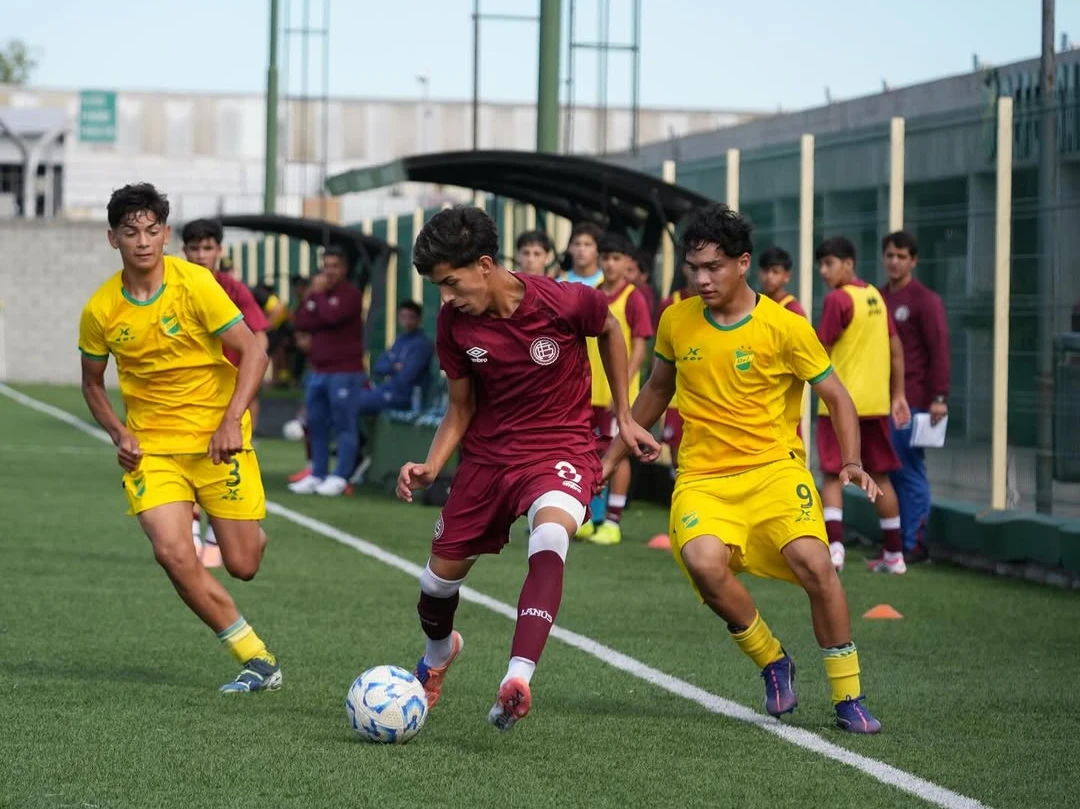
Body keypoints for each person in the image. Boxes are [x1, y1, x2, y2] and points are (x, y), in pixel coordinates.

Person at [602, 203, 883, 734]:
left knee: (817, 567)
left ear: (743, 264)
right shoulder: (676, 320)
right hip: (703, 480)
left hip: (775, 472)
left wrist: (851, 461)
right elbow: (657, 391)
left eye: (714, 267)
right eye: (694, 268)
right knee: (705, 565)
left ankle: (849, 697)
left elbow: (837, 397)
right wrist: (612, 456)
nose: (702, 279)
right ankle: (773, 661)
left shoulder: (786, 327)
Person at [396, 206, 659, 732]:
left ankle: (518, 677)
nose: (444, 297)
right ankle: (440, 652)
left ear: (486, 264)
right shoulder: (454, 322)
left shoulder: (564, 300)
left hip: (560, 448)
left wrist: (625, 416)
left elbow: (610, 328)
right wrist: (431, 464)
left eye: (450, 282)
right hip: (489, 458)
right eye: (437, 286)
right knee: (436, 585)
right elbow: (461, 407)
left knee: (551, 537)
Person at [78, 183, 280, 693]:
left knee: (243, 564)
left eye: (151, 231)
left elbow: (254, 353)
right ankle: (255, 658)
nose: (142, 241)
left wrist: (232, 419)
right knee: (172, 553)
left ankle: (248, 529)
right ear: (112, 239)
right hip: (152, 451)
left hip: (219, 442)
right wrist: (118, 432)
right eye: (130, 232)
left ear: (165, 235)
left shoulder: (196, 285)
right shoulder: (101, 309)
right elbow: (91, 384)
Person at [815, 237, 911, 574]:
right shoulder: (875, 296)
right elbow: (896, 348)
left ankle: (835, 551)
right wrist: (897, 394)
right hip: (875, 404)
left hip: (839, 405)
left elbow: (818, 351)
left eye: (829, 263)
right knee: (880, 476)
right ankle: (895, 555)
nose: (824, 271)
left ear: (848, 263)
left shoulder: (837, 300)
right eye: (821, 265)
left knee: (831, 473)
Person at [181, 219, 272, 568]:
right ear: (184, 250)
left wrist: (251, 380)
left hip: (228, 397)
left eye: (208, 248)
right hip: (189, 399)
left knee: (225, 468)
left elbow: (260, 336)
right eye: (195, 248)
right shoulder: (174, 287)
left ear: (219, 251)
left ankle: (222, 534)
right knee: (187, 460)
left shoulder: (233, 290)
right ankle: (189, 532)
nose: (201, 255)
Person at [575, 233, 654, 546]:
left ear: (627, 264)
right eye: (605, 258)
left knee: (617, 453)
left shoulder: (633, 297)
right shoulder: (592, 293)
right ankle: (588, 518)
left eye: (616, 258)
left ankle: (613, 521)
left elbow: (639, 345)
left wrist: (621, 386)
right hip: (587, 390)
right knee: (586, 451)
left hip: (616, 395)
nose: (609, 264)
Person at [879, 231, 950, 564]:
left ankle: (915, 545)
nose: (894, 262)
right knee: (890, 470)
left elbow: (939, 350)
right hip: (882, 399)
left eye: (901, 256)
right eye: (890, 255)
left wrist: (939, 396)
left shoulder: (925, 300)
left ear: (914, 260)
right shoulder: (877, 299)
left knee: (908, 469)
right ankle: (897, 543)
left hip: (915, 400)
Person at [288, 246, 367, 497]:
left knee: (344, 424)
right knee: (316, 424)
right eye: (326, 266)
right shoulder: (317, 295)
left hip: (345, 371)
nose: (329, 272)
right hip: (319, 370)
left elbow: (332, 317)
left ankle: (341, 476)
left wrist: (317, 298)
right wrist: (314, 299)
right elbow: (301, 322)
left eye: (334, 266)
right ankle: (318, 473)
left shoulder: (351, 295)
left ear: (344, 269)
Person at [655, 250, 696, 474]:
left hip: (706, 398)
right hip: (675, 398)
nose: (700, 276)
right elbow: (659, 355)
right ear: (684, 268)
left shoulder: (721, 306)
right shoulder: (670, 305)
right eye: (693, 267)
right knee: (677, 458)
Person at [757, 246, 806, 317]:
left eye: (775, 272)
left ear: (787, 276)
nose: (769, 276)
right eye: (765, 270)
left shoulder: (793, 310)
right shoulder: (754, 303)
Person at [559, 221, 604, 287]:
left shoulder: (607, 282)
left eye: (587, 244)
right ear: (569, 248)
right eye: (577, 244)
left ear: (598, 249)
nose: (581, 249)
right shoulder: (560, 284)